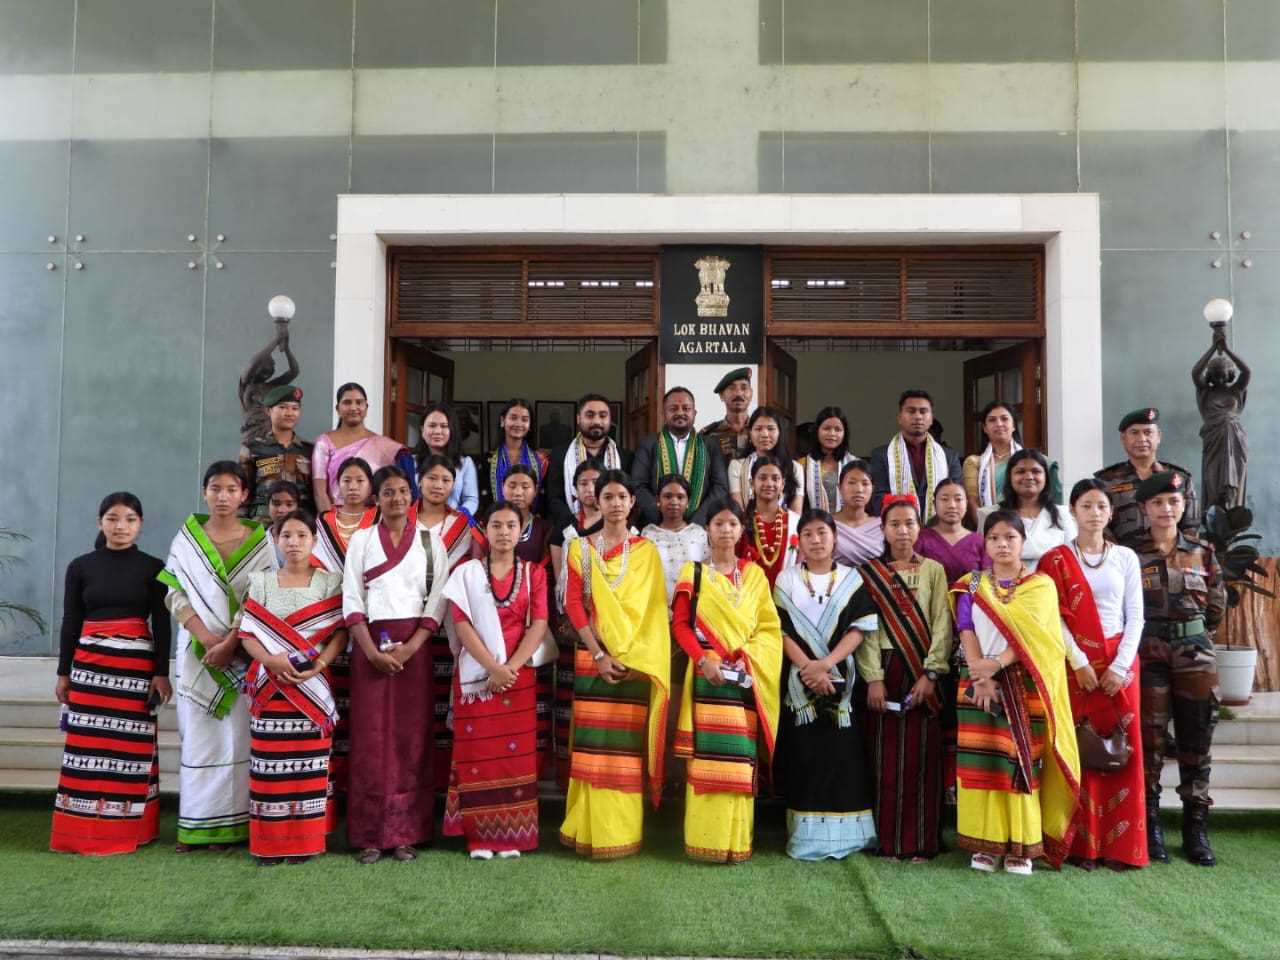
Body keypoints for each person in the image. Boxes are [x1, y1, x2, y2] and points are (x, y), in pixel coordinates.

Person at [950, 510, 1080, 875]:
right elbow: (965, 629)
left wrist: (996, 665)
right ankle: (984, 844)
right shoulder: (971, 584)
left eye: (1010, 537)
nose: (1002, 544)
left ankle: (1021, 846)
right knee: (982, 764)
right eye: (994, 538)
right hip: (976, 683)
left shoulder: (1040, 586)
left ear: (1023, 542)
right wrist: (980, 673)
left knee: (1020, 763)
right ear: (985, 543)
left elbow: (1040, 638)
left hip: (1022, 682)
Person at [159, 462, 277, 850]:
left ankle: (234, 827)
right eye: (215, 488)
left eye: (231, 489)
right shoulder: (186, 540)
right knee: (198, 738)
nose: (223, 496)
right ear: (204, 493)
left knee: (238, 737)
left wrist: (230, 642)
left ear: (244, 495)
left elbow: (262, 595)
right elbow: (174, 594)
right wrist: (208, 638)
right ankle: (195, 825)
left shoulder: (260, 542)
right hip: (197, 652)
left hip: (243, 651)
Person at [50, 492, 172, 856]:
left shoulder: (154, 567)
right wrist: (63, 672)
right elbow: (71, 619)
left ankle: (134, 829)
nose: (121, 526)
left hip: (135, 671)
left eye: (130, 519)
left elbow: (162, 624)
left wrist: (161, 673)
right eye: (113, 519)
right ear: (100, 522)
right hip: (89, 669)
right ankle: (80, 831)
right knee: (86, 747)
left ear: (141, 524)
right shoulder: (80, 567)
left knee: (131, 748)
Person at [341, 465, 448, 864]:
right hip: (370, 645)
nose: (397, 498)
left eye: (403, 491)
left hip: (415, 649)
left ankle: (408, 833)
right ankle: (370, 834)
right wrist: (370, 651)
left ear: (412, 495)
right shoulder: (362, 540)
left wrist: (411, 647)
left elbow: (437, 600)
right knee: (370, 737)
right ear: (377, 498)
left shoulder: (430, 541)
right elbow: (352, 596)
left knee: (410, 736)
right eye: (388, 492)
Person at [560, 471, 670, 859]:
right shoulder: (580, 548)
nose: (616, 503)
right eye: (608, 496)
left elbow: (653, 612)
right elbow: (573, 604)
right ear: (597, 500)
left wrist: (629, 656)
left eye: (622, 496)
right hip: (593, 659)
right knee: (591, 748)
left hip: (632, 664)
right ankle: (587, 829)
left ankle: (620, 832)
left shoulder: (646, 552)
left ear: (632, 502)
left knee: (624, 751)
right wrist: (599, 654)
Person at [1039, 479, 1148, 870]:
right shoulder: (1054, 560)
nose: (1094, 513)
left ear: (1111, 512)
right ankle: (1081, 847)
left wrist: (1119, 666)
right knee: (1079, 750)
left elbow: (1136, 616)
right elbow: (1052, 617)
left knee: (1121, 750)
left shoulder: (1126, 558)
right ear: (1072, 511)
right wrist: (1079, 662)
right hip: (1076, 669)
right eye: (1086, 505)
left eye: (1101, 506)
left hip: (1121, 668)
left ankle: (1120, 849)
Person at [670, 498, 782, 863]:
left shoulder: (755, 576)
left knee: (739, 761)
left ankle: (736, 843)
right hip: (707, 678)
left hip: (743, 679)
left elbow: (768, 629)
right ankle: (704, 842)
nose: (726, 530)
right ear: (707, 529)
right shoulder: (693, 573)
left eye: (732, 523)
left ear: (741, 529)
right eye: (718, 523)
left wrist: (747, 660)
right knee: (707, 761)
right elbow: (680, 625)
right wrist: (703, 660)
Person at [442, 501, 551, 859]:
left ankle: (511, 835)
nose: (504, 532)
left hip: (518, 677)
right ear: (484, 530)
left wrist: (509, 669)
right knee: (478, 753)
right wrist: (492, 668)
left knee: (514, 758)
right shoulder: (466, 573)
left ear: (521, 530)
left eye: (511, 525)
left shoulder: (534, 573)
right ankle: (479, 837)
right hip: (477, 676)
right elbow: (461, 624)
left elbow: (539, 624)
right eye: (496, 525)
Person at [237, 511, 346, 866]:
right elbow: (248, 634)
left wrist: (321, 664)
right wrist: (271, 661)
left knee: (307, 768)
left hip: (312, 687)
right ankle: (269, 844)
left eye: (302, 535)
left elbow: (340, 632)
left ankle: (305, 841)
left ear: (314, 541)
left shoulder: (330, 582)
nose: (294, 542)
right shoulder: (261, 582)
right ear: (276, 540)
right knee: (269, 767)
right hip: (270, 689)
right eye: (287, 535)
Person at [773, 509, 879, 860]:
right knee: (805, 756)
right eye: (808, 534)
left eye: (822, 532)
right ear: (799, 542)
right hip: (800, 683)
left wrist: (826, 665)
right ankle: (805, 839)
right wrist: (808, 668)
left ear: (835, 538)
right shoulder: (786, 580)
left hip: (841, 684)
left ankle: (848, 837)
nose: (816, 540)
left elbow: (859, 629)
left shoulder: (852, 578)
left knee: (843, 757)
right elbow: (780, 630)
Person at [1131, 471, 1225, 866]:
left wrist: (1191, 636)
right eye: (1157, 502)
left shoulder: (1203, 552)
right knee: (1150, 741)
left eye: (1173, 502)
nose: (1166, 509)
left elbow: (1216, 608)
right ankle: (1151, 825)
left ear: (1184, 505)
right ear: (1144, 508)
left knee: (1196, 740)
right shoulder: (1130, 553)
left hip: (1194, 655)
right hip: (1148, 654)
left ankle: (1195, 829)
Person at [856, 494, 953, 860]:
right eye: (894, 524)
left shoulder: (934, 570)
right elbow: (865, 629)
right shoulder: (868, 573)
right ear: (882, 529)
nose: (902, 531)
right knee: (883, 757)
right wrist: (873, 677)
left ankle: (922, 842)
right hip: (885, 671)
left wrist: (932, 672)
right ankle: (886, 840)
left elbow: (943, 623)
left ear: (919, 528)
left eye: (909, 523)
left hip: (922, 671)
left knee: (922, 759)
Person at [415, 454, 487, 792]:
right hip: (408, 618)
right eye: (432, 478)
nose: (438, 485)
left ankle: (447, 780)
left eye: (446, 480)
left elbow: (477, 569)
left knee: (446, 692)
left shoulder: (464, 525)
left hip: (449, 623)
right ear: (419, 480)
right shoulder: (400, 520)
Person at [310, 456, 377, 802]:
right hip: (330, 619)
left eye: (359, 481)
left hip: (373, 619)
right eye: (346, 480)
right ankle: (332, 784)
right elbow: (314, 566)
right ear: (336, 485)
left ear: (370, 486)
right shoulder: (322, 522)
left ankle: (363, 782)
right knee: (335, 700)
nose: (352, 487)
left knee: (365, 706)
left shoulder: (380, 519)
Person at [549, 458, 605, 788]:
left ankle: (594, 770)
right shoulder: (564, 529)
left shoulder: (621, 527)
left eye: (596, 482)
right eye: (583, 483)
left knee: (597, 698)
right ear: (575, 490)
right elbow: (561, 580)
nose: (590, 489)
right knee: (567, 695)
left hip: (606, 627)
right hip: (572, 622)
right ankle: (565, 772)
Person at [1094, 408, 1198, 548]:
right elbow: (1099, 526)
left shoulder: (1180, 478)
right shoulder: (1105, 481)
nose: (1142, 439)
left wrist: (1178, 555)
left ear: (1159, 436)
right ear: (1123, 439)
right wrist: (1120, 556)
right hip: (1123, 557)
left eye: (1148, 432)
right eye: (1134, 433)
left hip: (1171, 557)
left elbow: (1191, 526)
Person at [312, 382, 416, 514]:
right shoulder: (324, 442)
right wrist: (329, 522)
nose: (353, 407)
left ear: (366, 407)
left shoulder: (385, 446)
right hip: (336, 516)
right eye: (347, 402)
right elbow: (319, 493)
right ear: (337, 408)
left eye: (359, 402)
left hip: (375, 518)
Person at [631, 386, 728, 527]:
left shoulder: (710, 445)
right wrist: (663, 518)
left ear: (694, 413)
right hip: (657, 525)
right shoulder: (649, 444)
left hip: (700, 526)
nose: (680, 413)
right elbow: (638, 485)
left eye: (686, 408)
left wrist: (697, 521)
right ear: (664, 413)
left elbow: (720, 487)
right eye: (673, 409)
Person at [868, 389, 963, 522]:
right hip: (899, 528)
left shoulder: (949, 456)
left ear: (931, 419)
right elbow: (879, 498)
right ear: (900, 418)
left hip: (940, 529)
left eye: (923, 411)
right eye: (911, 411)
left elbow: (956, 497)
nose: (918, 416)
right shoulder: (881, 456)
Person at [961, 400, 1062, 521]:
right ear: (985, 428)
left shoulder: (1039, 462)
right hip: (991, 526)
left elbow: (1054, 502)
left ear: (1014, 425)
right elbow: (973, 502)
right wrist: (988, 526)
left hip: (1034, 523)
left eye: (1004, 419)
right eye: (992, 420)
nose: (999, 424)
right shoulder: (974, 463)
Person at [545, 393, 632, 534]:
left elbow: (629, 496)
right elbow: (554, 498)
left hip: (615, 530)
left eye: (603, 415)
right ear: (579, 418)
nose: (596, 421)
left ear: (610, 419)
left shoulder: (625, 457)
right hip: (572, 530)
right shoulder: (560, 454)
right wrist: (577, 525)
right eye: (590, 415)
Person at [977, 449, 1076, 565]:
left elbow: (1072, 560)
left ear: (1046, 477)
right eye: (1020, 472)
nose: (1029, 477)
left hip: (1054, 577)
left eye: (1036, 471)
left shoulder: (1062, 515)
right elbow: (983, 561)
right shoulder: (990, 514)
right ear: (1009, 477)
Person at [1193, 327, 1251, 510]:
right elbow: (1195, 373)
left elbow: (1247, 371)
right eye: (1215, 371)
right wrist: (1213, 348)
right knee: (1213, 481)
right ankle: (1214, 517)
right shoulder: (1204, 391)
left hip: (1235, 440)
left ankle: (1233, 515)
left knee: (1235, 484)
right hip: (1214, 438)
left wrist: (1226, 350)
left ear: (1230, 373)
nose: (1219, 374)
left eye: (1223, 370)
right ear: (1210, 374)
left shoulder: (1237, 390)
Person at [239, 384, 314, 522]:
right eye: (283, 407)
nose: (289, 413)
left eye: (295, 408)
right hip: (263, 522)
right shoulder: (253, 447)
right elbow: (242, 490)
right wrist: (242, 523)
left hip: (300, 524)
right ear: (268, 411)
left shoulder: (309, 450)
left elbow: (314, 492)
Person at [736, 455, 800, 588]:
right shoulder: (740, 522)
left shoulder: (795, 522)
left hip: (787, 595)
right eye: (762, 478)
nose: (769, 484)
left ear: (783, 484)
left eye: (775, 479)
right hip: (749, 595)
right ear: (752, 483)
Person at [727, 406, 805, 514]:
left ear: (780, 432)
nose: (764, 434)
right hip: (748, 524)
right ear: (750, 433)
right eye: (758, 429)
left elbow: (796, 514)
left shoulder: (795, 468)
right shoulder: (737, 466)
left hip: (785, 524)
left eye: (770, 429)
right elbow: (738, 512)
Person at [641, 474, 708, 601]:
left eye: (680, 497)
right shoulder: (648, 535)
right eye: (667, 496)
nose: (674, 501)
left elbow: (707, 573)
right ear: (658, 500)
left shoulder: (699, 534)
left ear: (688, 502)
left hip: (694, 606)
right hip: (659, 605)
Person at [479, 398, 550, 511]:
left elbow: (545, 498)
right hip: (496, 519)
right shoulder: (486, 460)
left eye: (524, 419)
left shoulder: (542, 460)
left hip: (532, 519)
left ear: (530, 425)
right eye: (513, 418)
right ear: (503, 420)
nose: (518, 424)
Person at [916, 478, 988, 584]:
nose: (952, 505)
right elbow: (914, 577)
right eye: (944, 499)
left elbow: (986, 578)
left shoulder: (979, 541)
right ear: (934, 504)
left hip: (971, 594)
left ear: (966, 504)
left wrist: (968, 592)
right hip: (931, 594)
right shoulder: (922, 538)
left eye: (958, 499)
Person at [413, 402, 479, 517]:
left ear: (451, 430)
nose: (438, 431)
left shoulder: (465, 463)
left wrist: (456, 518)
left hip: (454, 523)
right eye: (432, 425)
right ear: (422, 429)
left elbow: (471, 500)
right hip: (416, 522)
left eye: (444, 426)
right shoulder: (410, 462)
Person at [799, 406, 858, 513]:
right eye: (826, 428)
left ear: (844, 434)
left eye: (838, 429)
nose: (832, 434)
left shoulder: (855, 465)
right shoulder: (802, 465)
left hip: (847, 522)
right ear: (817, 431)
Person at [832, 459, 884, 567]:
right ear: (839, 488)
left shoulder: (881, 525)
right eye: (851, 483)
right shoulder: (827, 524)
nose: (859, 489)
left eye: (865, 484)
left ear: (872, 489)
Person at [699, 367, 753, 461]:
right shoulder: (707, 435)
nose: (738, 393)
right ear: (721, 395)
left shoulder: (761, 431)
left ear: (751, 394)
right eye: (732, 388)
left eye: (744, 388)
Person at [264, 480, 301, 564]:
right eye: (276, 504)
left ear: (297, 507)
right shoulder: (260, 542)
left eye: (289, 505)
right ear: (267, 506)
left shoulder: (307, 540)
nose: (281, 510)